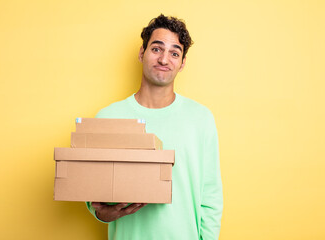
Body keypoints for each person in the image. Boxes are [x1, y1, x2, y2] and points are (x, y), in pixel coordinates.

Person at [86, 14, 223, 240]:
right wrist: (101, 214)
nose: (164, 59)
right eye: (157, 49)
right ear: (142, 53)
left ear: (182, 63)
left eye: (174, 53)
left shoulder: (201, 119)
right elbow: (90, 189)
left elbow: (211, 197)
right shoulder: (107, 117)